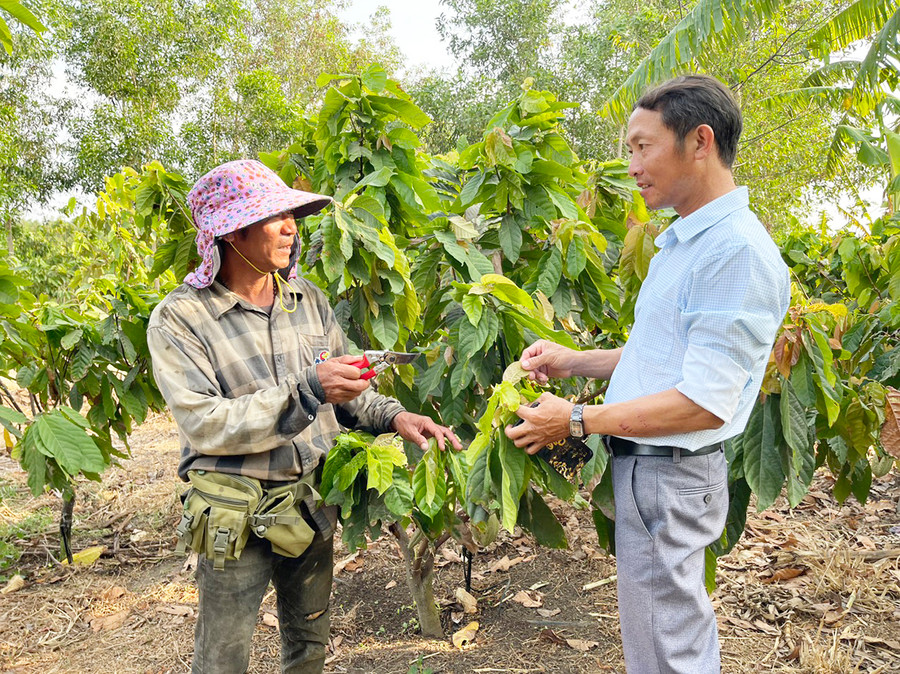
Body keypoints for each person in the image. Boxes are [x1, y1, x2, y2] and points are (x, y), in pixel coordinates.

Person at [504, 75, 790, 673]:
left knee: (670, 654)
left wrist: (577, 419)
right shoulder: (686, 243)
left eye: (642, 146)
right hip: (650, 475)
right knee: (657, 645)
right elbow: (662, 359)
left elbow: (703, 403)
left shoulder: (732, 250)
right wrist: (573, 361)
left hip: (670, 476)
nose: (630, 165)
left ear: (699, 142)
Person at [147, 159, 460, 674]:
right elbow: (205, 423)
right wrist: (309, 388)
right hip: (236, 515)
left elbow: (347, 391)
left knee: (309, 642)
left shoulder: (307, 300)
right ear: (231, 231)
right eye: (275, 217)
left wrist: (397, 417)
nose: (292, 228)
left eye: (292, 215)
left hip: (311, 505)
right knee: (223, 656)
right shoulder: (182, 317)